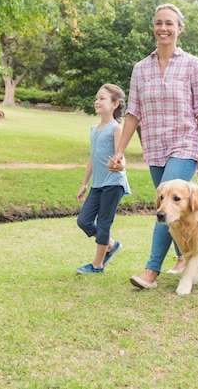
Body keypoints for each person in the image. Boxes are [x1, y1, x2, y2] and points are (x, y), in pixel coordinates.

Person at [109, 4, 198, 289]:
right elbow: (133, 114)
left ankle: (151, 271)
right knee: (175, 209)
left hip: (185, 143)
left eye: (169, 23)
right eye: (158, 23)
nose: (163, 28)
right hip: (154, 146)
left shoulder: (194, 65)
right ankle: (184, 256)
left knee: (166, 206)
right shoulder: (140, 69)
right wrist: (119, 151)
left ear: (180, 29)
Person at [75, 84, 131, 274]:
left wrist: (120, 164)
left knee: (104, 222)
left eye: (102, 98)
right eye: (97, 98)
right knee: (83, 220)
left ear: (115, 104)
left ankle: (97, 265)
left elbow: (120, 154)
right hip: (98, 184)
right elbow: (92, 157)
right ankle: (111, 244)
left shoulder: (117, 129)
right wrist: (84, 183)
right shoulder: (94, 129)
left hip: (114, 183)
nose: (97, 102)